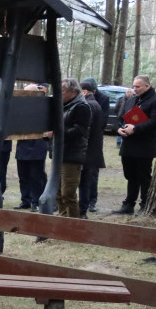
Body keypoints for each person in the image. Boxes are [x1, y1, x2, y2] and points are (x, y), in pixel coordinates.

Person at [115, 75, 156, 214]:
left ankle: (144, 205)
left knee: (144, 176)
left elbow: (155, 121)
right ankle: (128, 204)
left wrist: (135, 128)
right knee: (130, 175)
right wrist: (120, 128)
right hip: (128, 144)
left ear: (147, 86)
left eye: (138, 87)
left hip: (144, 146)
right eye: (134, 86)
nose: (135, 89)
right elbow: (121, 117)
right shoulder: (131, 100)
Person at [56, 78, 91, 219]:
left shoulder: (82, 106)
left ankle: (74, 224)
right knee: (58, 192)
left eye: (62, 91)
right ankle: (63, 219)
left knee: (68, 193)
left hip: (72, 155)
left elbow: (79, 131)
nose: (60, 94)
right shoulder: (64, 105)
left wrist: (57, 133)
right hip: (60, 154)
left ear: (72, 91)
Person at [79, 81, 106, 216]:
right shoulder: (95, 104)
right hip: (91, 150)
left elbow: (85, 130)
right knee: (86, 180)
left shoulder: (88, 105)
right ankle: (84, 207)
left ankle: (83, 209)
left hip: (87, 151)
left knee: (85, 181)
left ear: (84, 92)